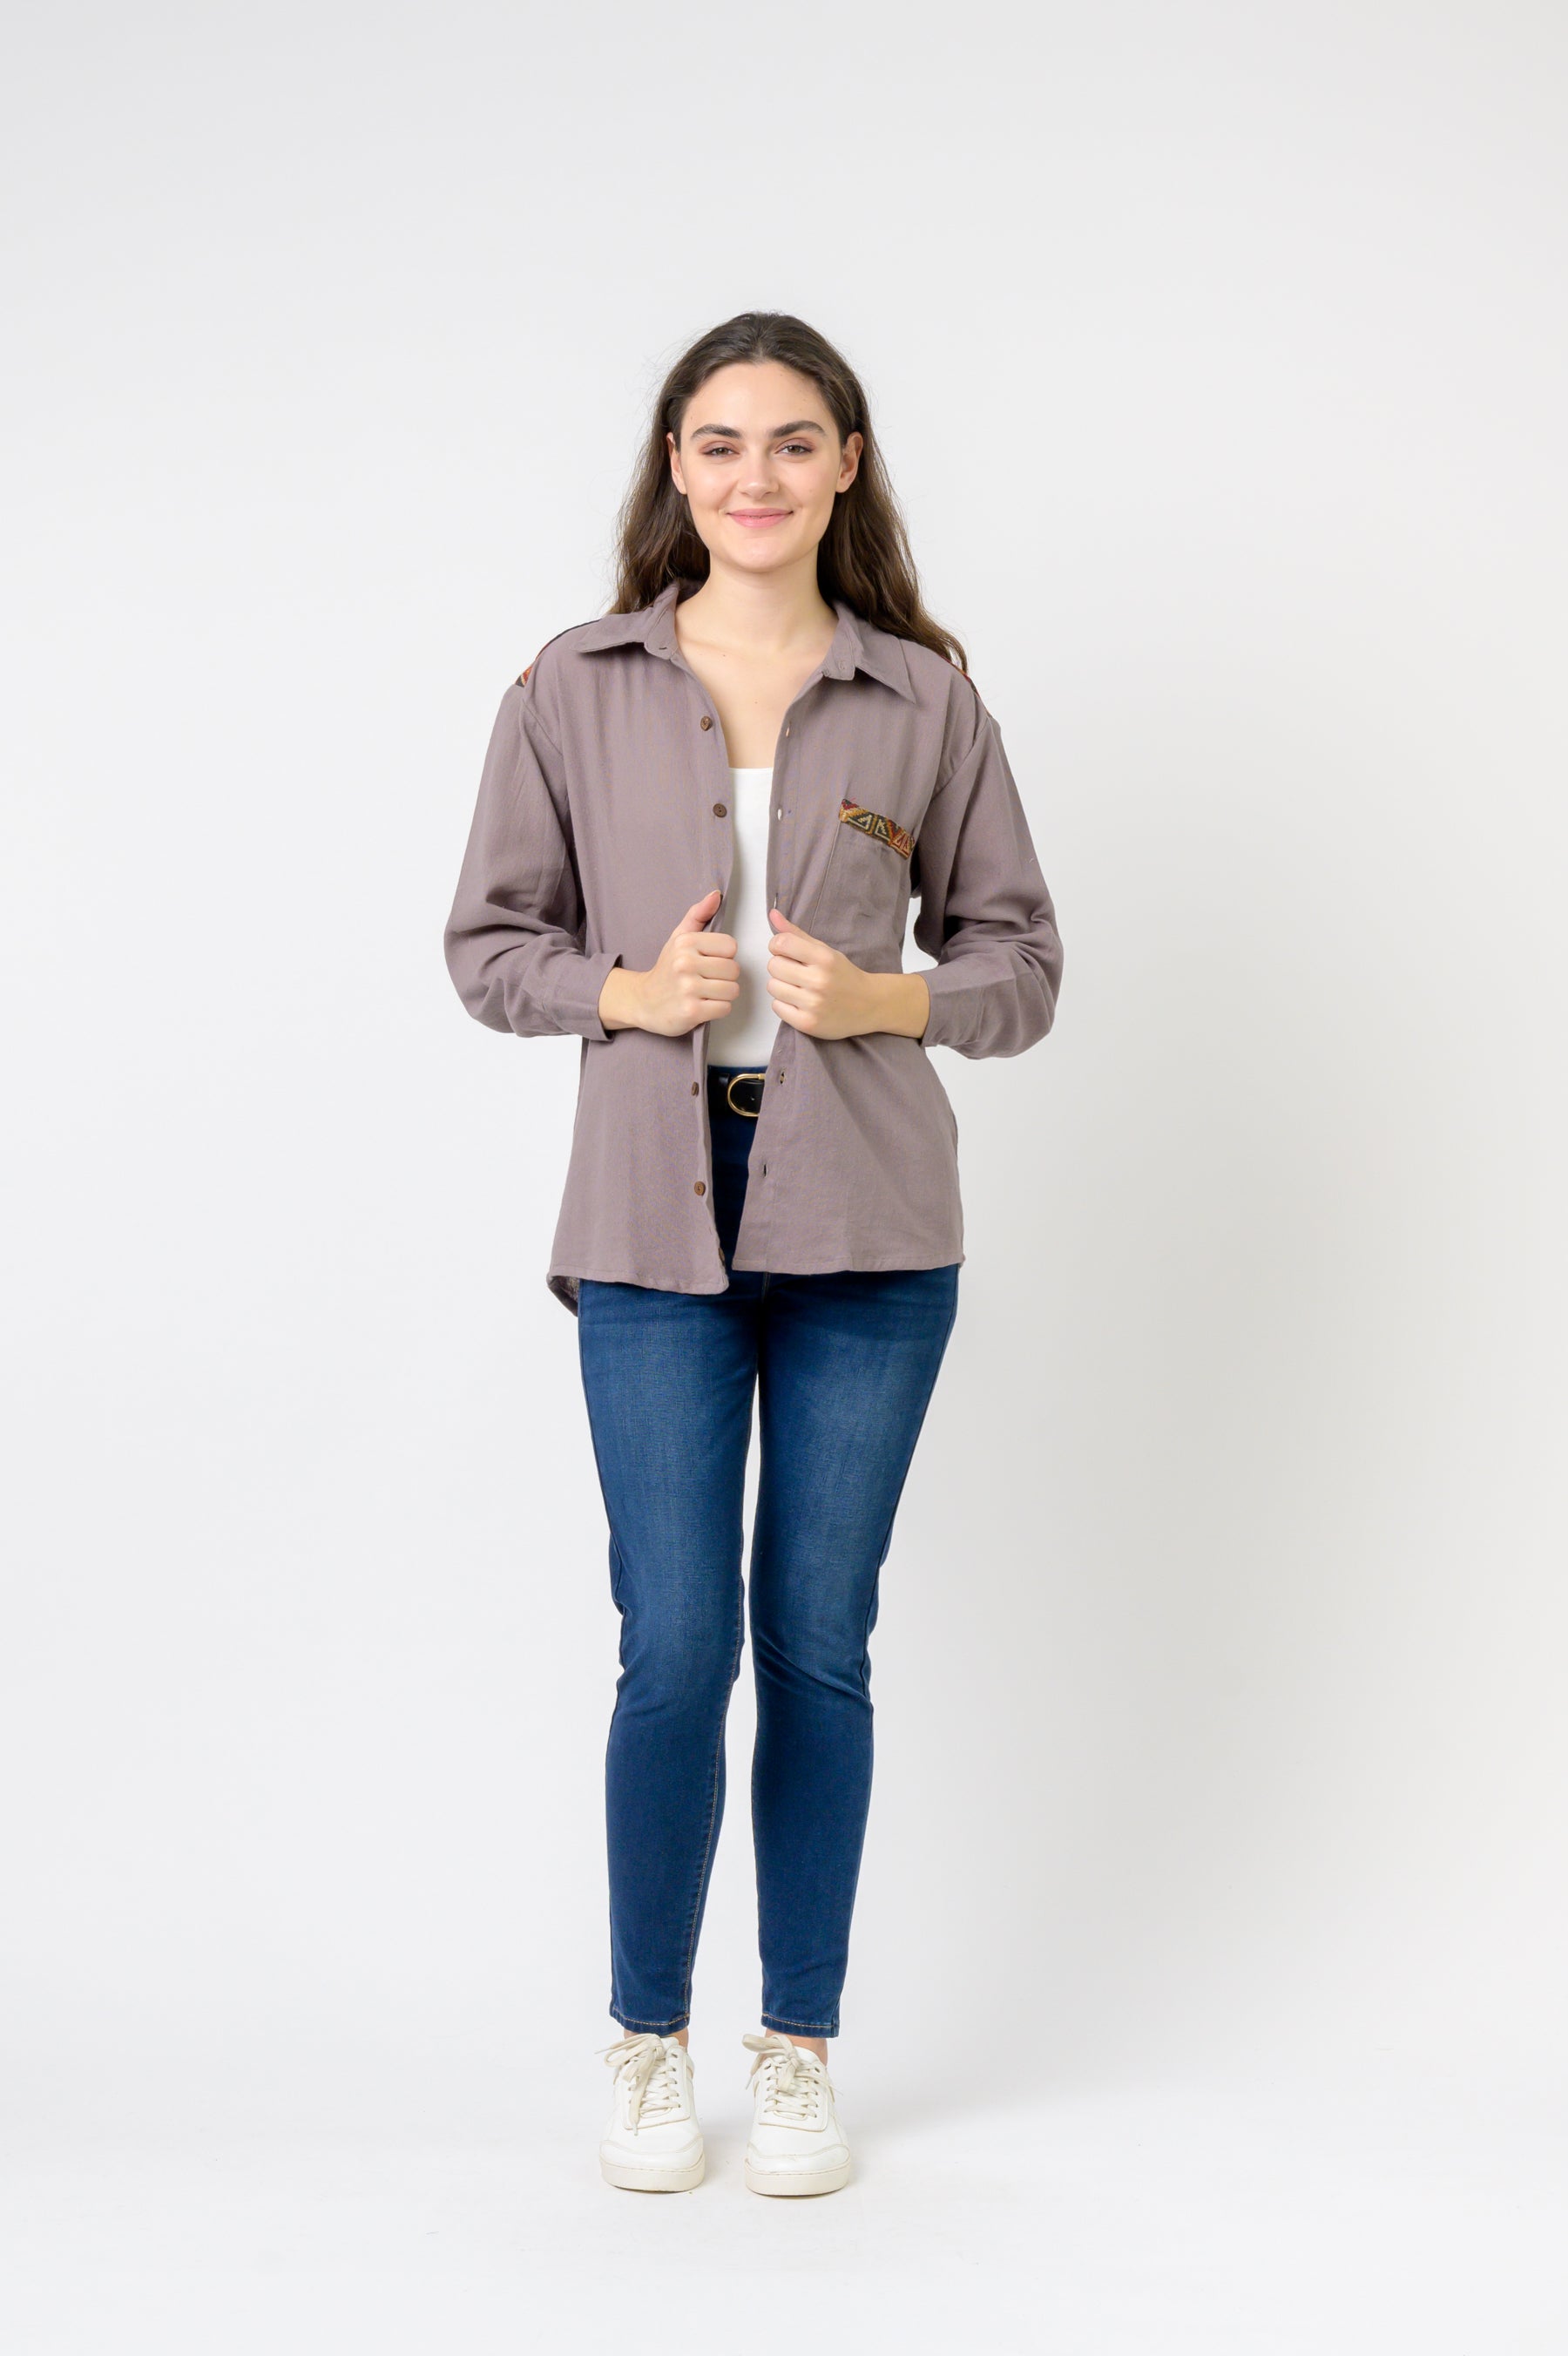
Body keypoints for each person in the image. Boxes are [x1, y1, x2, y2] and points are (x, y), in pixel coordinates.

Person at [443, 311, 1064, 2197]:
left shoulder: (925, 699)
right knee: (674, 1645)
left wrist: (886, 997)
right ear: (676, 464)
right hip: (652, 1221)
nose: (756, 477)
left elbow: (1023, 963)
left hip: (868, 1230)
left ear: (847, 463)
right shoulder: (572, 685)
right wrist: (627, 991)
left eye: (795, 442)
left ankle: (797, 2050)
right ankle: (647, 2041)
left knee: (816, 1640)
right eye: (720, 443)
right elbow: (488, 944)